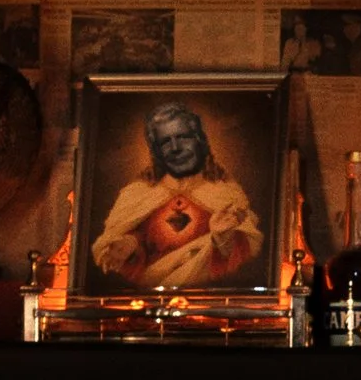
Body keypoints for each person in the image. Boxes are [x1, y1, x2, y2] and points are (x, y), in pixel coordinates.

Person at [89, 101, 264, 292]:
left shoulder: (226, 195)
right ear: (156, 151)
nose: (175, 148)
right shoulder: (137, 193)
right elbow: (124, 265)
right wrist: (129, 244)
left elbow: (248, 255)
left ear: (199, 140)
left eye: (182, 137)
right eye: (165, 142)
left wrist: (222, 239)